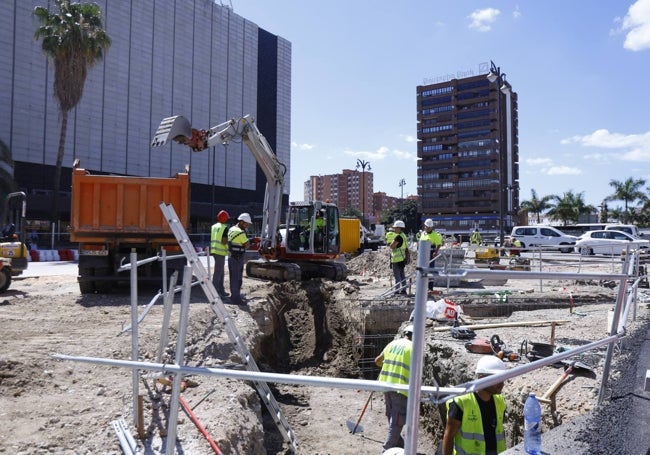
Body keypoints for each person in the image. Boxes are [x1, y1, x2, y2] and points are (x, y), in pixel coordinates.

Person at [442, 355, 507, 455]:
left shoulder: (500, 401)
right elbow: (449, 436)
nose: (502, 383)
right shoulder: (461, 402)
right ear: (481, 378)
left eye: (503, 378)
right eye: (497, 379)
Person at [375, 324, 414, 451]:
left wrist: (388, 365)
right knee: (397, 420)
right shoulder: (414, 347)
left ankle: (399, 443)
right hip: (400, 388)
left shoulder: (392, 344)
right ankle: (387, 449)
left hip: (386, 385)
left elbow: (378, 360)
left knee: (391, 415)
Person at [227, 213, 251, 306]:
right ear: (241, 222)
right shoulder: (240, 232)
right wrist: (250, 241)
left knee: (233, 277)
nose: (247, 225)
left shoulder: (231, 229)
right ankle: (236, 299)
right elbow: (247, 245)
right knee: (237, 278)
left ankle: (234, 295)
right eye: (246, 224)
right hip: (237, 257)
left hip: (231, 256)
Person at [210, 210, 230, 299]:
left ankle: (221, 290)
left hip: (214, 251)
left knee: (221, 272)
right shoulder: (225, 228)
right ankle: (215, 292)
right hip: (220, 252)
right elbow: (224, 241)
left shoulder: (214, 226)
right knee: (218, 272)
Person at [389, 220, 408, 295]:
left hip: (396, 260)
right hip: (402, 259)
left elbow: (391, 246)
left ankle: (396, 291)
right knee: (402, 275)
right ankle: (403, 290)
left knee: (397, 276)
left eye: (395, 228)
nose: (394, 229)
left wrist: (392, 243)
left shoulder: (398, 237)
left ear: (399, 228)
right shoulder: (404, 235)